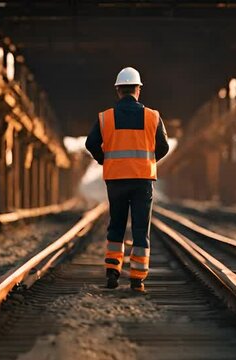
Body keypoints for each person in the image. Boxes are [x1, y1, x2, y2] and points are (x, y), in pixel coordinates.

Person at [85, 67, 170, 292]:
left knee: (117, 226)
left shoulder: (106, 117)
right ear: (138, 90)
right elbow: (164, 147)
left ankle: (112, 273)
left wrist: (106, 160)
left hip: (116, 180)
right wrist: (148, 161)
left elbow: (90, 143)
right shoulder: (153, 116)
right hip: (142, 180)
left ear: (118, 91)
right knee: (141, 229)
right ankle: (137, 279)